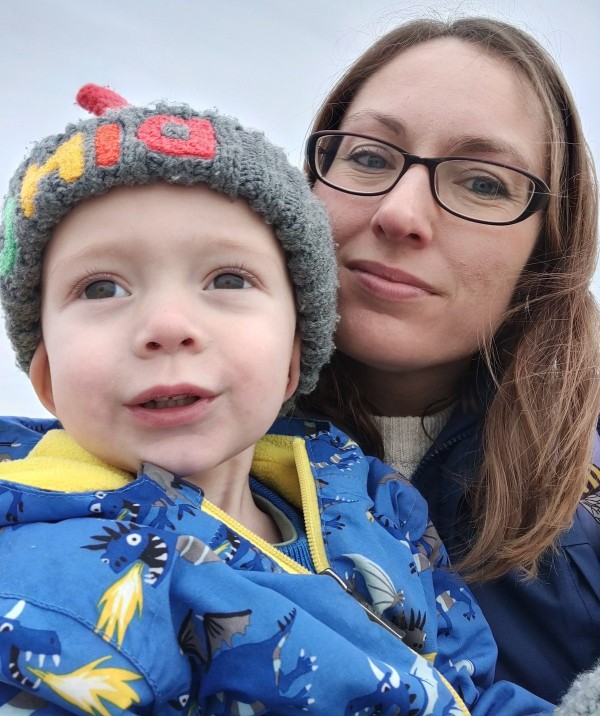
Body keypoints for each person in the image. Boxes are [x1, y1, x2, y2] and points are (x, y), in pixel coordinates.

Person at [0, 84, 551, 715]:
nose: (168, 324)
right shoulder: (48, 584)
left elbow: (470, 686)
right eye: (101, 288)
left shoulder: (366, 495)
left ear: (295, 357)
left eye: (228, 279)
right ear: (45, 374)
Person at [298, 16, 600, 706]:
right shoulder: (156, 442)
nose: (401, 214)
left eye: (484, 184)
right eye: (370, 157)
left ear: (546, 251)